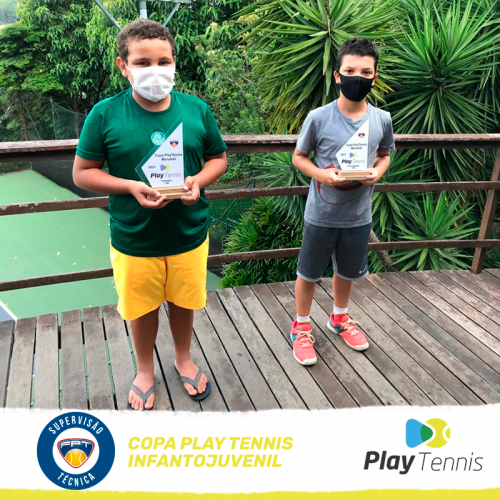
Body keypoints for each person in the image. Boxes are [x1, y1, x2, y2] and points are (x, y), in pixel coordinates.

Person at [73, 19, 228, 409]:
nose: (155, 70)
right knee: (141, 310)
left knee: (184, 303)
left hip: (189, 232)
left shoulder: (196, 109)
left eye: (163, 61)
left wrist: (197, 182)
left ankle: (183, 359)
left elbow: (218, 158)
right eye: (142, 62)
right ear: (123, 66)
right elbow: (83, 173)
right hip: (134, 236)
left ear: (175, 62)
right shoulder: (105, 114)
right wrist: (130, 186)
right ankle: (144, 370)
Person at [290, 38, 395, 365]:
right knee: (308, 272)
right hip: (321, 213)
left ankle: (339, 317)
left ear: (374, 77)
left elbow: (385, 154)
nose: (357, 78)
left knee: (347, 271)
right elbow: (299, 157)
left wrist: (378, 171)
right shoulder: (319, 117)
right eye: (350, 71)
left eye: (365, 72)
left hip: (358, 215)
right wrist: (321, 175)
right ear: (337, 75)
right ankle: (301, 326)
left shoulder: (382, 119)